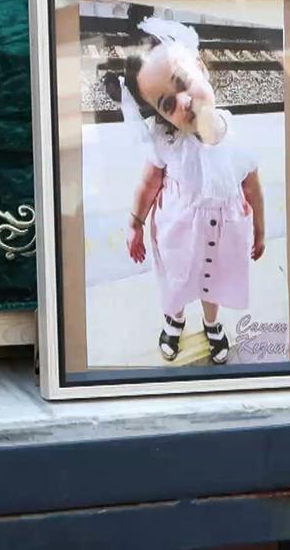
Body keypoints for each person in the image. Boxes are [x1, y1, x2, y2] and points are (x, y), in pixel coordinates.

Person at [119, 19, 265, 365]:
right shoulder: (167, 143)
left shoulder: (241, 139)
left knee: (214, 280)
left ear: (200, 67)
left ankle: (211, 324)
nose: (183, 102)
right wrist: (135, 222)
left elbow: (252, 187)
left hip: (226, 231)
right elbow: (148, 183)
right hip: (179, 229)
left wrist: (260, 228)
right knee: (178, 278)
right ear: (161, 116)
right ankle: (175, 320)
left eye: (183, 82)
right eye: (167, 104)